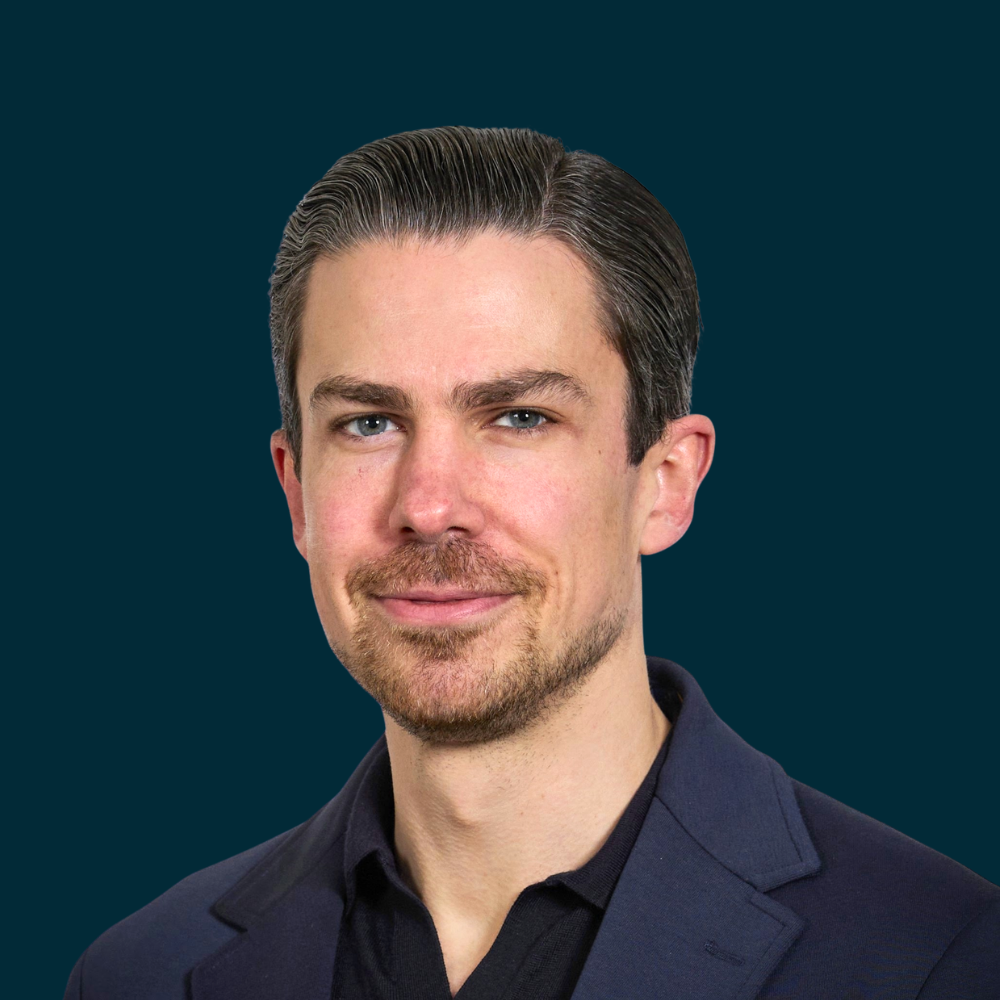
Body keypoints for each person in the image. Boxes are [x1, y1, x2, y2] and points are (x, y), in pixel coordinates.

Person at [64, 126, 998, 1000]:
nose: (429, 505)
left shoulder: (945, 957)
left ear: (665, 483)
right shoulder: (141, 971)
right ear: (296, 490)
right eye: (369, 423)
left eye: (519, 418)